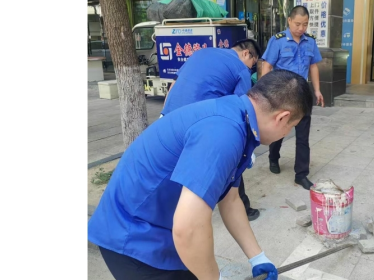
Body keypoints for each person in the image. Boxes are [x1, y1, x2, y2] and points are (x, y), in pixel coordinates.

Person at [88, 69, 313, 280]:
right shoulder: (223, 133)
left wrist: (257, 257)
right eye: (291, 127)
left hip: (159, 231)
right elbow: (189, 228)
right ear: (283, 118)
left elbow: (231, 199)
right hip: (132, 240)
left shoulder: (240, 119)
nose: (285, 133)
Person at [160, 39, 263, 221]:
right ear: (247, 53)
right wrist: (246, 146)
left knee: (172, 166)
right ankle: (240, 207)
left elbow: (174, 85)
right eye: (253, 64)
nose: (251, 69)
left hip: (170, 117)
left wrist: (164, 115)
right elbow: (242, 109)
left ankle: (169, 210)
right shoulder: (240, 69)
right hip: (199, 123)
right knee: (230, 161)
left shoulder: (202, 52)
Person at [259, 5, 325, 190]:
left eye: (305, 24)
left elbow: (313, 67)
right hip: (281, 95)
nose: (301, 28)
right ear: (289, 21)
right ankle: (273, 157)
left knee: (303, 137)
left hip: (302, 94)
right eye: (298, 24)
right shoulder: (277, 41)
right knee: (279, 131)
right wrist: (265, 94)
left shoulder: (310, 41)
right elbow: (267, 66)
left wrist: (317, 90)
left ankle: (301, 174)